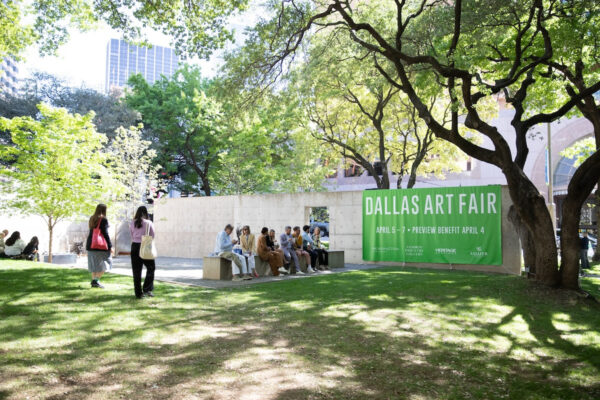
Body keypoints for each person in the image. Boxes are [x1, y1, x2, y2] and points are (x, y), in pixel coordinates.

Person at [129, 206, 156, 298]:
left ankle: (138, 293)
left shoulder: (132, 222)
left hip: (134, 246)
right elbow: (152, 235)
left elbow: (132, 234)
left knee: (136, 271)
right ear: (146, 213)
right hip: (145, 245)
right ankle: (147, 288)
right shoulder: (148, 222)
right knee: (151, 268)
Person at [86, 204, 112, 288]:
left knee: (94, 266)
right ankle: (95, 280)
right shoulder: (103, 219)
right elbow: (105, 234)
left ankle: (95, 283)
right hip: (100, 246)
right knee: (107, 263)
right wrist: (110, 246)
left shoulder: (92, 218)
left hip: (90, 244)